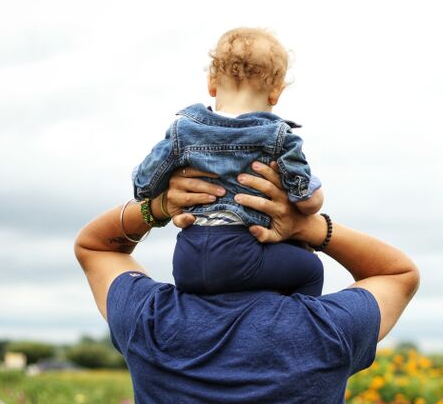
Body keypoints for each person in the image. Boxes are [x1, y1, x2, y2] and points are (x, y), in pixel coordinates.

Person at [74, 161, 420, 404]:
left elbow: (96, 247)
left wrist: (159, 207)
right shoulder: (328, 331)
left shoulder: (150, 320)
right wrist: (310, 227)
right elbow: (397, 274)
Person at [132, 27, 325, 297]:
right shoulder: (279, 136)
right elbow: (306, 201)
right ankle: (297, 329)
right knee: (310, 268)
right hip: (242, 254)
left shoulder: (182, 130)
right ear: (275, 93)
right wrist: (314, 192)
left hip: (187, 259)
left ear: (211, 83)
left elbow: (144, 186)